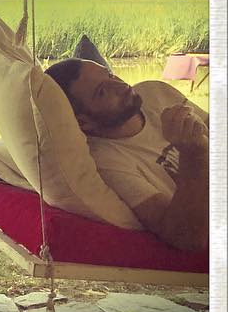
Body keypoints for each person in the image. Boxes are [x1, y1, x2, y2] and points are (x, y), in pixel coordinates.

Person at [44, 58, 209, 251]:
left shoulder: (154, 92)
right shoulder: (106, 161)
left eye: (110, 75)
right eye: (102, 91)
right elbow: (186, 237)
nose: (120, 85)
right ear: (83, 122)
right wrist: (194, 155)